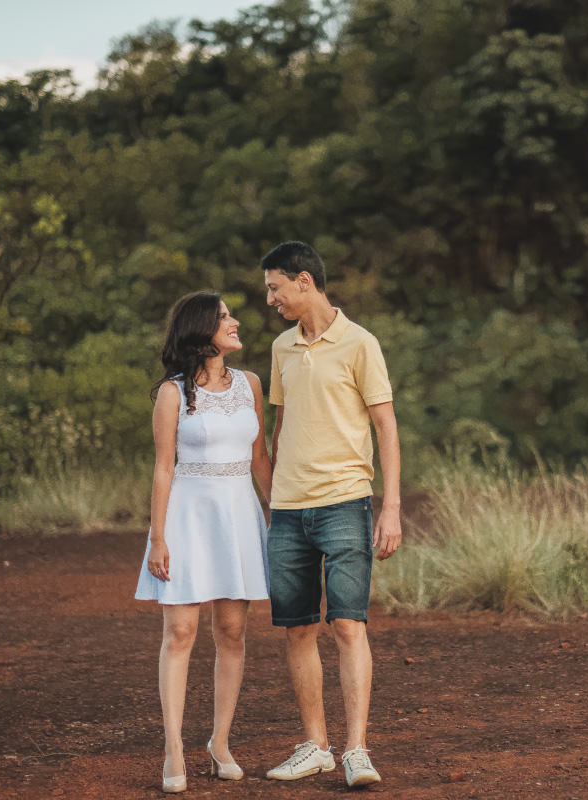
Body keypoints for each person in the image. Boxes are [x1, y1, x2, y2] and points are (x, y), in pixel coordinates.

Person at [260, 241, 402, 789]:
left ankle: (356, 751)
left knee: (347, 623)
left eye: (275, 288)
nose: (270, 300)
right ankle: (315, 747)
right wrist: (272, 497)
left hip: (346, 500)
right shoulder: (281, 347)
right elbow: (279, 426)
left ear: (304, 281)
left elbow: (385, 425)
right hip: (288, 510)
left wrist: (390, 507)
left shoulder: (361, 343)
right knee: (297, 629)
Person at [134, 291, 273, 794]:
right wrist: (158, 538)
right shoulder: (172, 393)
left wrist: (281, 518)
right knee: (180, 632)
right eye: (224, 317)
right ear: (201, 330)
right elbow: (163, 468)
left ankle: (220, 743)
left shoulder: (251, 384)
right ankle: (173, 748)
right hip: (188, 517)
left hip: (239, 515)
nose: (235, 322)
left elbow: (260, 459)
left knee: (232, 631)